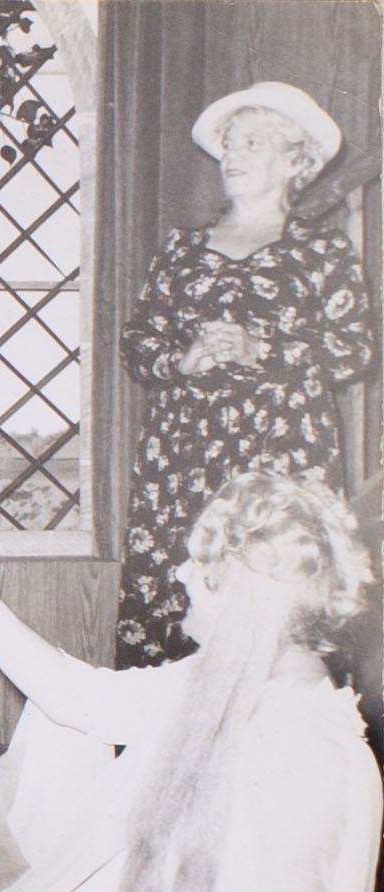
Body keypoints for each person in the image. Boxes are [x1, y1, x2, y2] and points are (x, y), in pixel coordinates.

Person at [0, 470, 380, 892]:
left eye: (197, 564)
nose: (180, 575)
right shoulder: (234, 676)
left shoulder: (304, 756)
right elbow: (78, 699)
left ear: (239, 588)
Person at [117, 80, 375, 668]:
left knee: (280, 616)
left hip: (282, 458)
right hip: (183, 459)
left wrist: (266, 348)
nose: (232, 154)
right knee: (177, 606)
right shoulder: (182, 249)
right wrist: (178, 360)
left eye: (252, 142)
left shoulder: (322, 253)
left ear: (296, 159)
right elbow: (137, 343)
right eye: (230, 143)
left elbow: (353, 350)